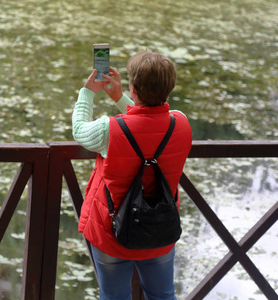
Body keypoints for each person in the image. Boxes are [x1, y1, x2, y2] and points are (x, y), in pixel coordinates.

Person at [72, 51, 192, 300]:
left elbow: (80, 130)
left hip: (112, 233)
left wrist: (87, 92)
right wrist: (120, 98)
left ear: (134, 89)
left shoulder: (110, 129)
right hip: (160, 229)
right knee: (163, 296)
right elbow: (147, 122)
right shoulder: (180, 123)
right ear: (168, 91)